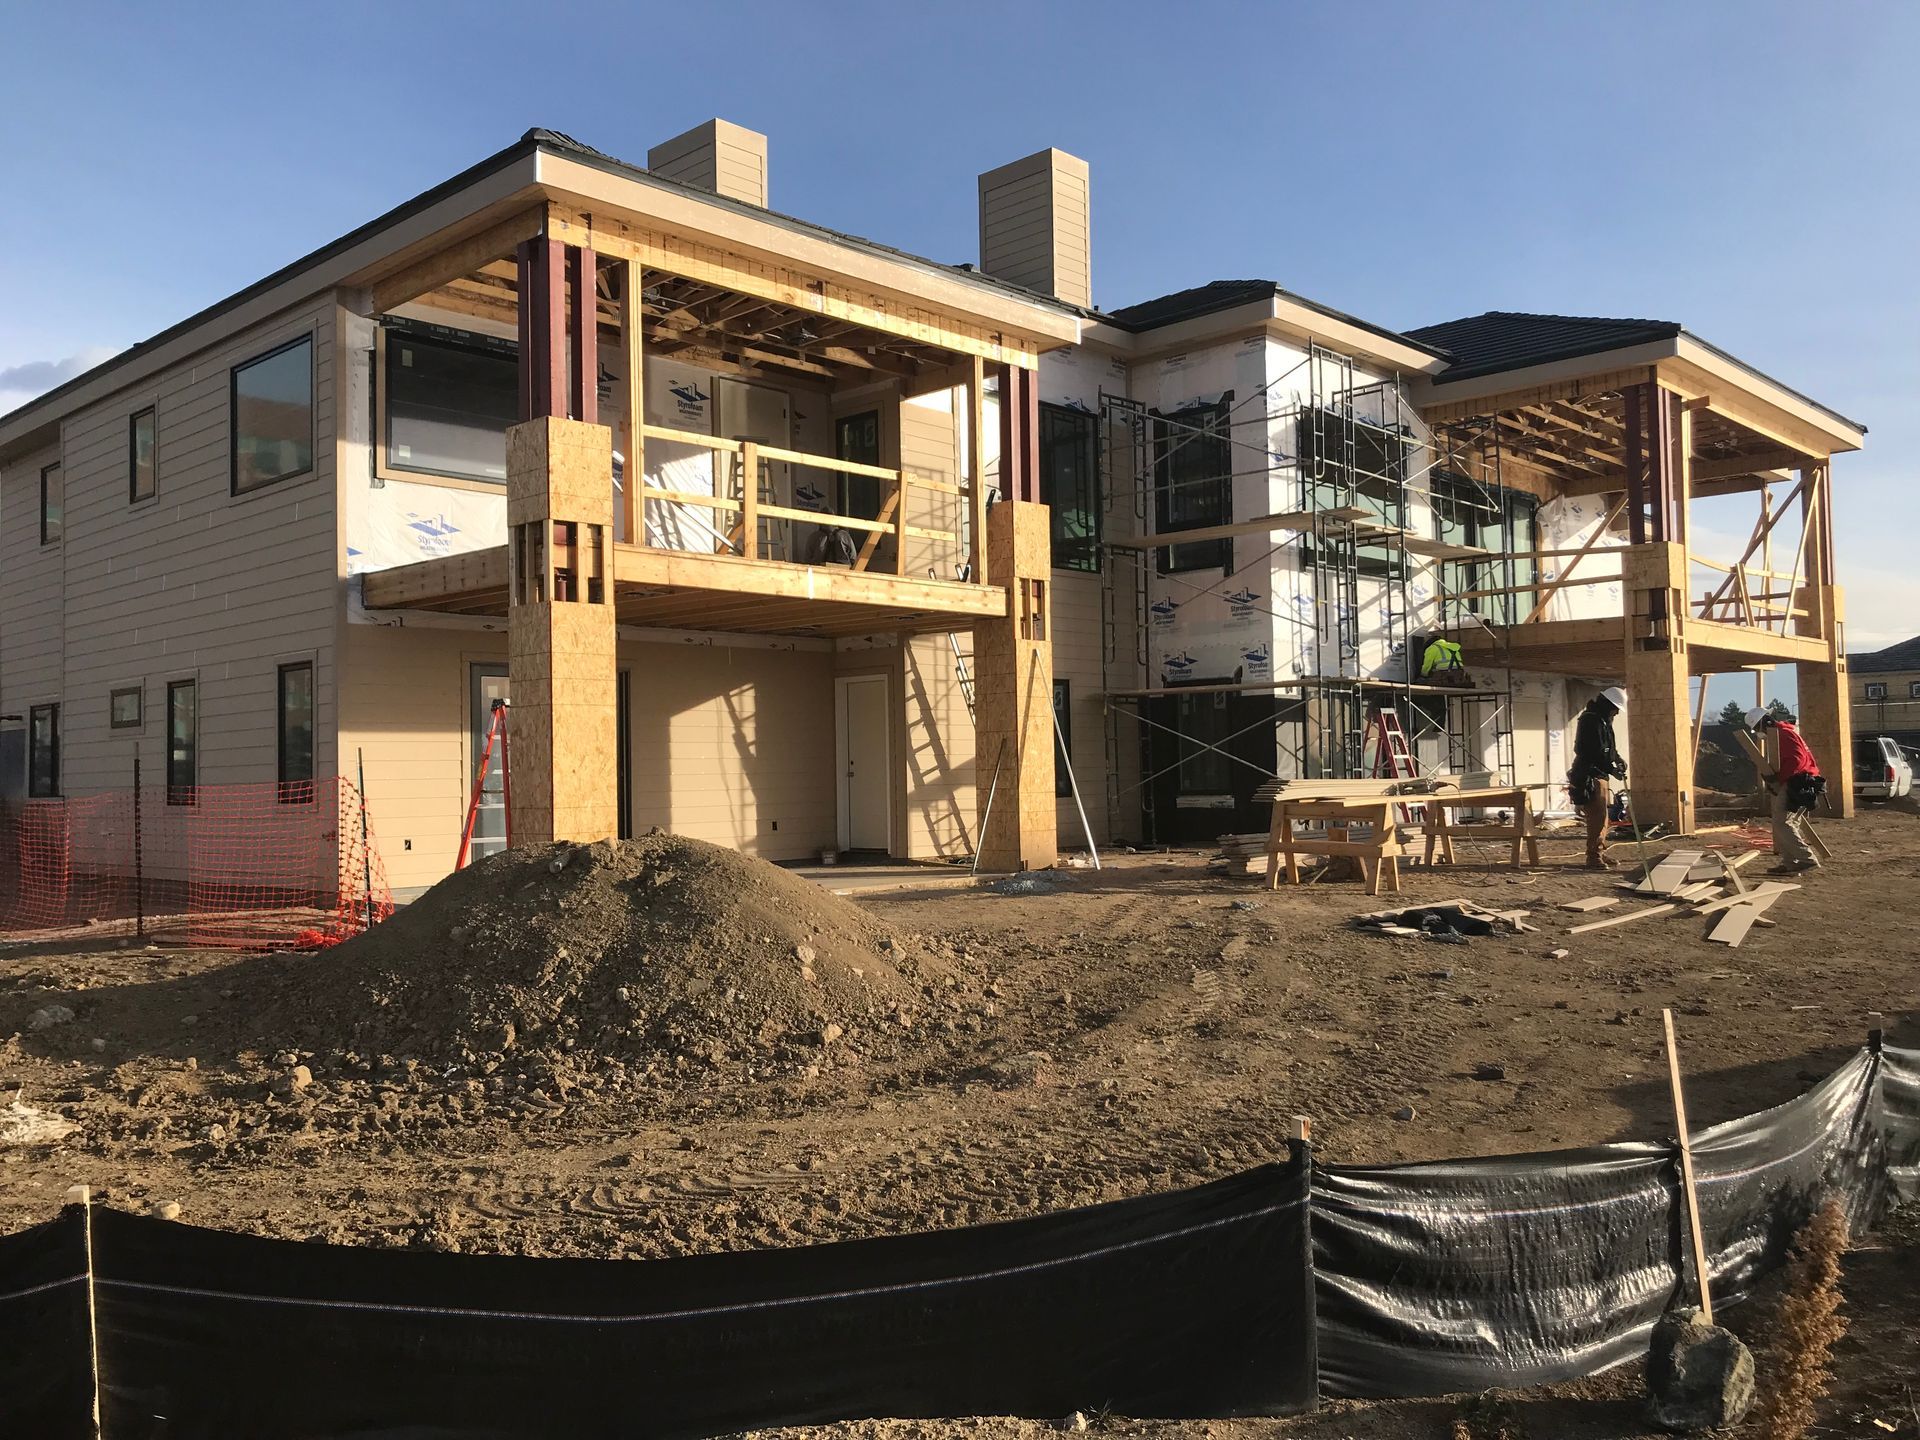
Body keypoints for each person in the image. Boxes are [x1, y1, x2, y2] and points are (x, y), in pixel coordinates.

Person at [1747, 706, 1824, 871]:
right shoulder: (1783, 734)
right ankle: (1790, 862)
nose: (1759, 734)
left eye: (1756, 729)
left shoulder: (1784, 735)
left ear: (1764, 723)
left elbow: (1796, 760)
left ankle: (1807, 859)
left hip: (1798, 781)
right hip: (1800, 780)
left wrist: (1779, 779)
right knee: (1788, 823)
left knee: (1782, 822)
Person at [1569, 687, 1629, 869]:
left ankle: (1599, 851)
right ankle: (1593, 856)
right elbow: (1591, 752)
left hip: (1600, 773)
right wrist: (1610, 769)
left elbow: (1608, 748)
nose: (1617, 712)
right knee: (1596, 817)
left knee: (1603, 817)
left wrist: (1617, 761)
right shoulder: (1590, 721)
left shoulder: (1604, 721)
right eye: (1616, 708)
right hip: (1590, 774)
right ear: (1608, 705)